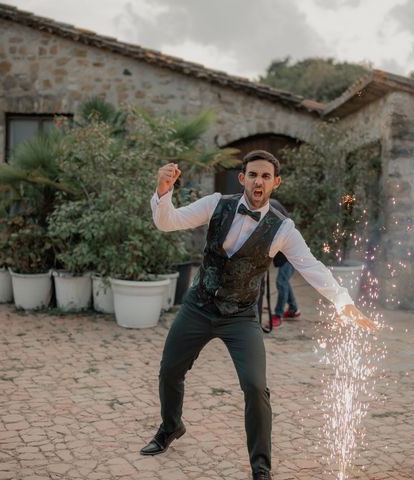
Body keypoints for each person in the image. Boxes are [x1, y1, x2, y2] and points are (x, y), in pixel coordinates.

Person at [142, 150, 376, 480]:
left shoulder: (283, 229)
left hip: (240, 316)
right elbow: (168, 222)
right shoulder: (215, 204)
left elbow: (312, 267)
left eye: (266, 176)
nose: (258, 181)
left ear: (275, 183)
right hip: (198, 305)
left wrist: (344, 302)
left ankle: (261, 467)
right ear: (243, 179)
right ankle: (171, 427)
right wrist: (164, 190)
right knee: (169, 370)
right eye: (253, 174)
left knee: (255, 387)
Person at [268, 199, 300, 327]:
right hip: (283, 255)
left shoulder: (272, 206)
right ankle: (293, 310)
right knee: (284, 281)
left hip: (292, 253)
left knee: (281, 282)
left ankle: (278, 315)